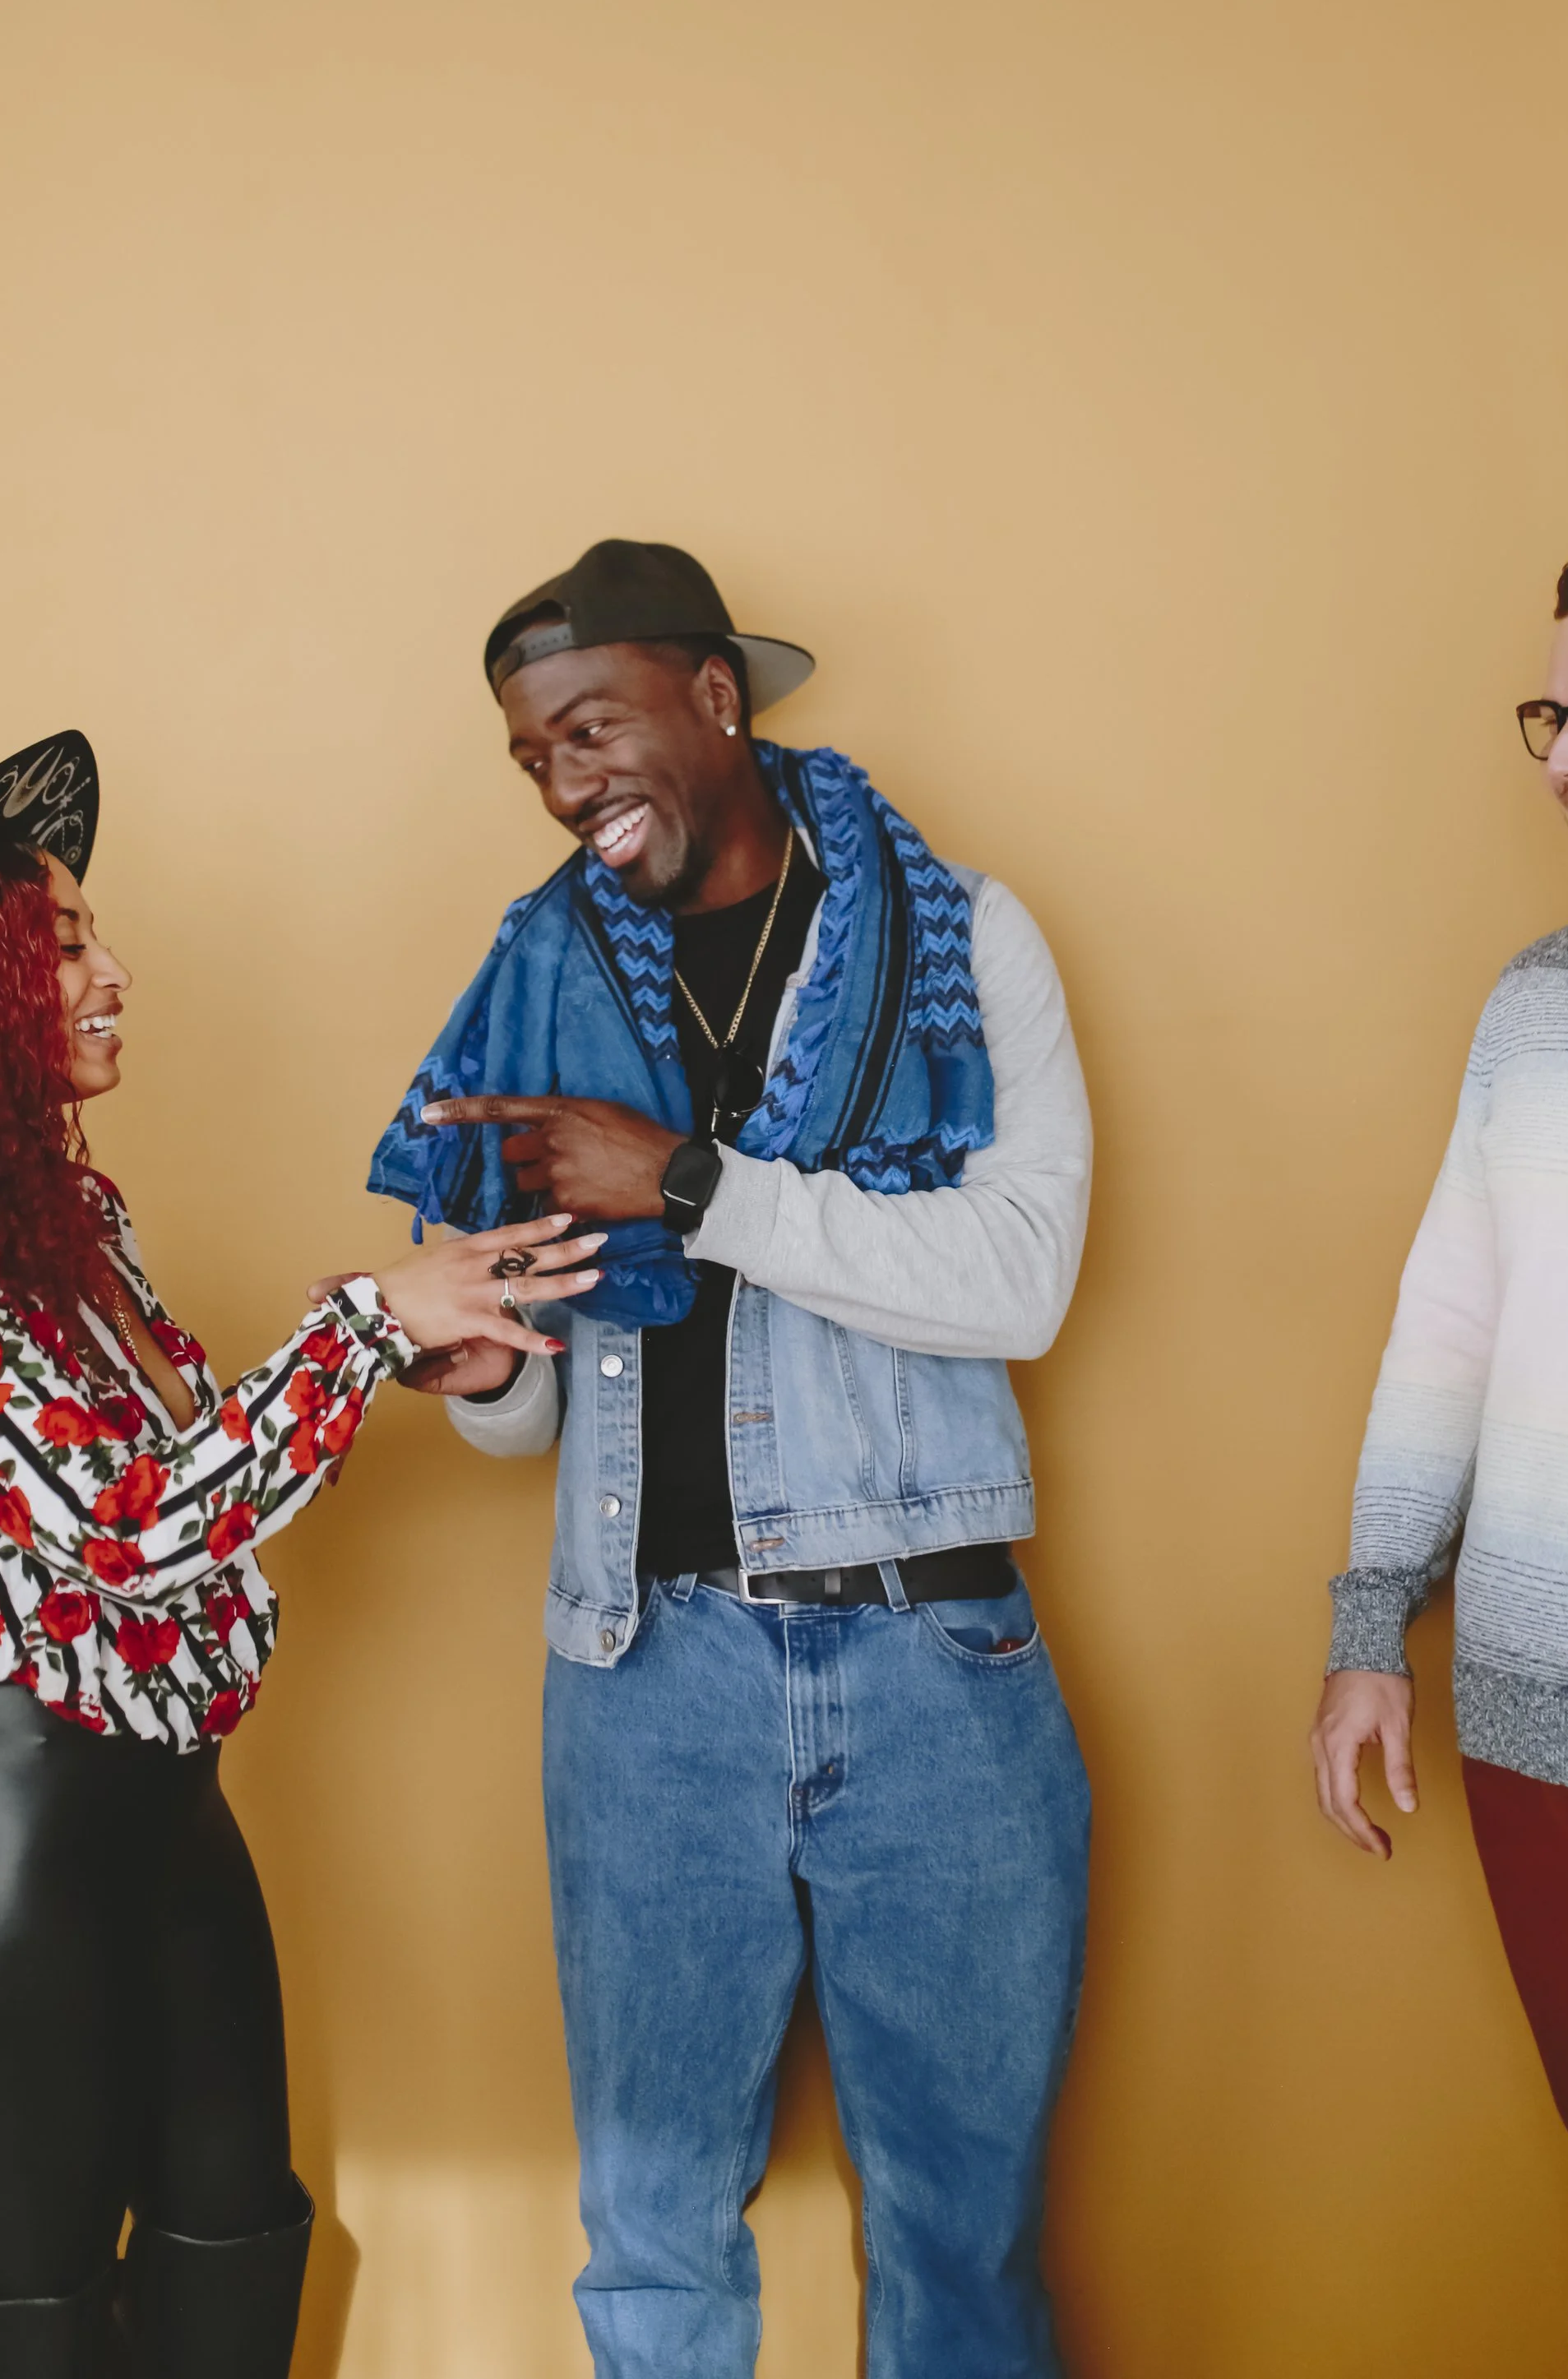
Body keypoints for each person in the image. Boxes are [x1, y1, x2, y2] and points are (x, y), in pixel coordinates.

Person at [0, 731, 604, 2379]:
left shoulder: (80, 1225)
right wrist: (358, 1321)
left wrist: (420, 1345)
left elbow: (197, 1492)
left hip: (165, 1797)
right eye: (62, 947)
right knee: (35, 2314)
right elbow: (133, 1532)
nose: (113, 974)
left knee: (233, 2236)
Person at [369, 541, 1094, 2377]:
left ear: (714, 697)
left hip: (934, 1660)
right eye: (529, 755)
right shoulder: (535, 984)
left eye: (589, 727)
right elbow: (533, 1390)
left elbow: (1021, 1281)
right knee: (652, 2249)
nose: (561, 784)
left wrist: (689, 1181)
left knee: (958, 2243)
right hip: (643, 1673)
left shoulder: (966, 935)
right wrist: (475, 1374)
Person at [1311, 541, 1568, 2378]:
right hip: (1533, 1744)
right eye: (1552, 715)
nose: (1561, 756)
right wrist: (1367, 1616)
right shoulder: (1534, 1003)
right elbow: (1445, 1327)